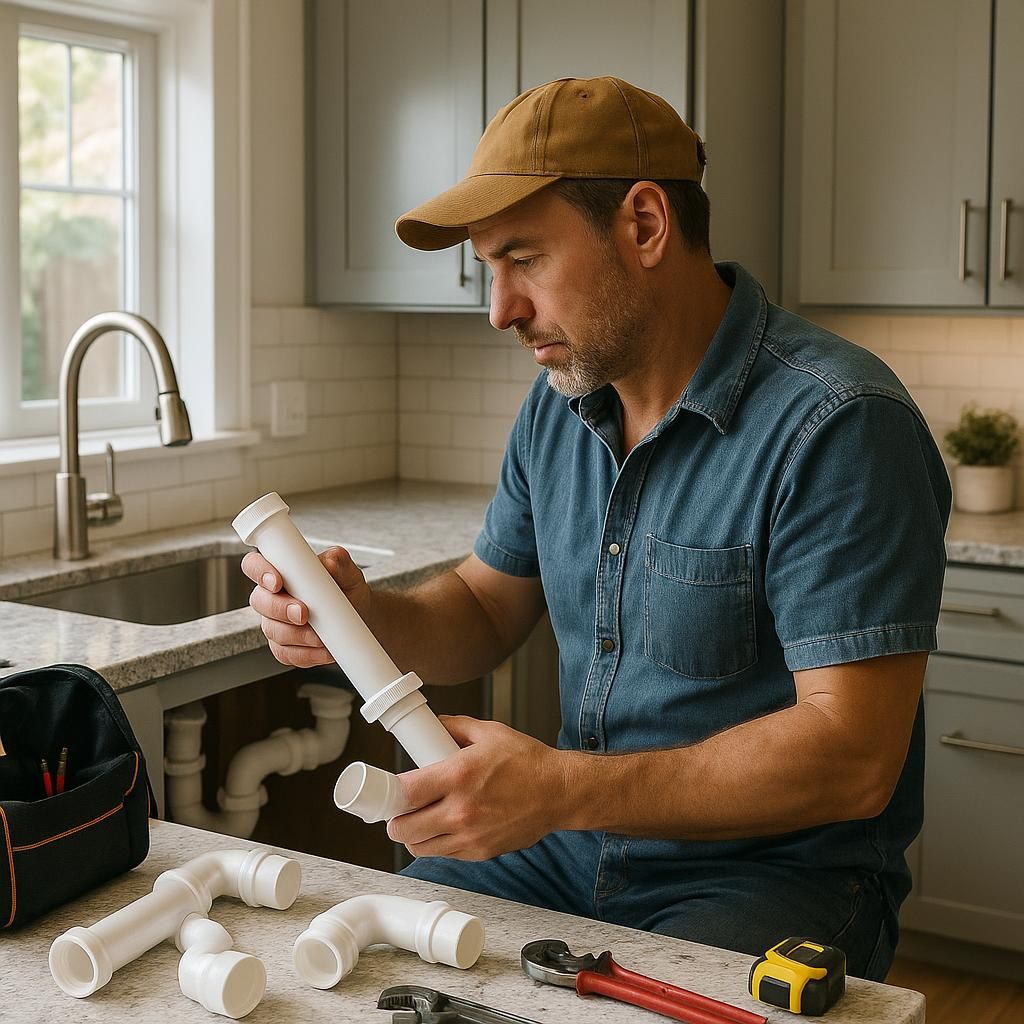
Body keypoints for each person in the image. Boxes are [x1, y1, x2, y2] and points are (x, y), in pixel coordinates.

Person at [243, 76, 950, 981]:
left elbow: (853, 757)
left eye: (523, 259)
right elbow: (483, 608)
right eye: (486, 270)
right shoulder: (559, 406)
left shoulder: (841, 424)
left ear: (645, 225)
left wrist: (558, 791)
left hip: (778, 874)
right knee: (380, 967)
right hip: (580, 846)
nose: (499, 309)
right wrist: (359, 616)